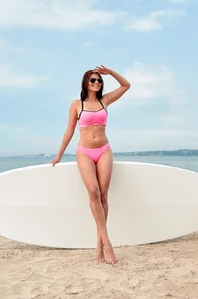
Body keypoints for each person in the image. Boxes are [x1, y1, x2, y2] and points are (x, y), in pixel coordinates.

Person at [50, 65, 131, 264]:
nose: (97, 83)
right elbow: (69, 130)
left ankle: (98, 246)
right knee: (93, 192)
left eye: (99, 80)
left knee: (103, 195)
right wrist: (59, 154)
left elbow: (126, 85)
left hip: (104, 150)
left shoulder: (105, 101)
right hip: (84, 152)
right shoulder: (76, 104)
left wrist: (110, 73)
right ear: (86, 83)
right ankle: (107, 244)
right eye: (93, 80)